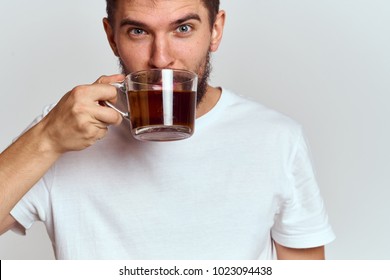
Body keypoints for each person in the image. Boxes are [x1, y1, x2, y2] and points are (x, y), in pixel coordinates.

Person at [0, 0, 335, 259]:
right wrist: (46, 139)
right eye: (138, 31)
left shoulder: (276, 137)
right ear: (111, 37)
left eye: (183, 29)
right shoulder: (63, 130)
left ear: (215, 30)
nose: (161, 59)